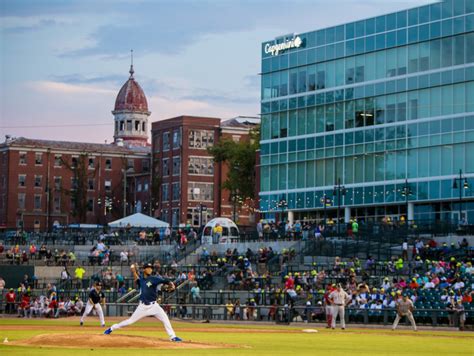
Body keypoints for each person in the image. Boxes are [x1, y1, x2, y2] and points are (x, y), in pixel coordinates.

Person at [104, 263, 182, 342]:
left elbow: (165, 281)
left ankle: (173, 337)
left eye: (151, 268)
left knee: (165, 319)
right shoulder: (141, 280)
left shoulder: (154, 279)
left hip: (154, 306)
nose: (150, 269)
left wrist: (171, 284)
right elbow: (137, 279)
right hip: (142, 307)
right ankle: (111, 328)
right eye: (148, 268)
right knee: (130, 321)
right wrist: (134, 271)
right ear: (144, 269)